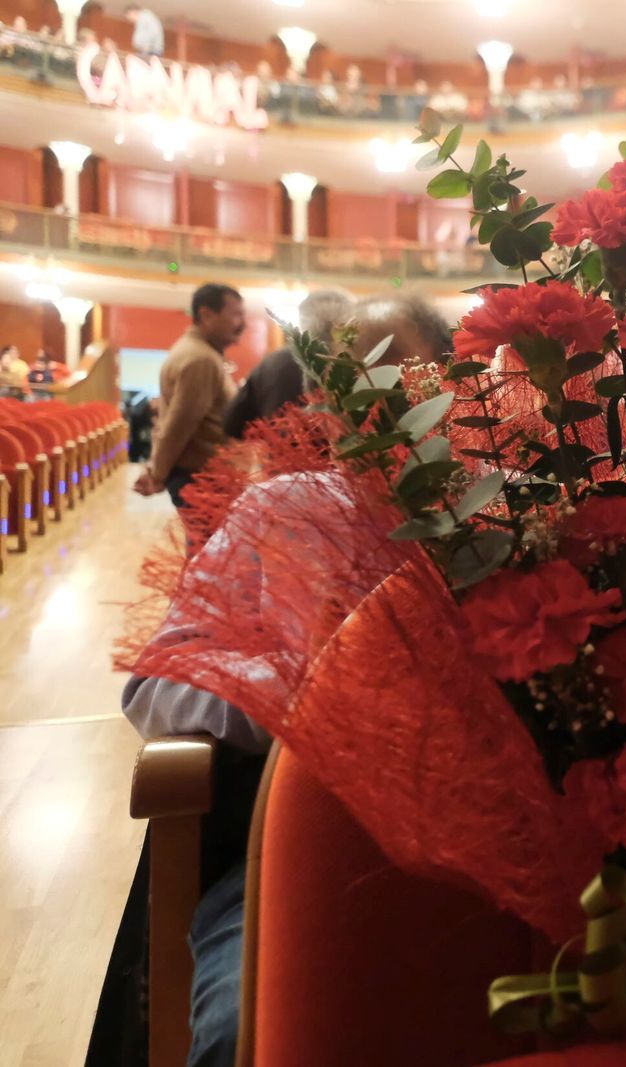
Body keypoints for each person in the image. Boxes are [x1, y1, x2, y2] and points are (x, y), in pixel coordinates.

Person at [120, 290, 451, 1067]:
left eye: (396, 383)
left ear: (450, 388)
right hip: (291, 854)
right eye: (349, 388)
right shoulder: (279, 512)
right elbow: (152, 686)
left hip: (478, 861)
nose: (372, 411)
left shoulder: (511, 517)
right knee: (243, 1028)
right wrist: (286, 688)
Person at [134, 284, 245, 509]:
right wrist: (156, 473)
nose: (242, 324)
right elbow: (179, 425)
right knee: (207, 544)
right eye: (235, 315)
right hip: (203, 477)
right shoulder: (200, 359)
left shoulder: (200, 353)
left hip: (205, 476)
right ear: (206, 314)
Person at [222, 290, 352, 439]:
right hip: (343, 459)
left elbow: (232, 424)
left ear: (302, 320)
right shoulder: (357, 362)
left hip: (281, 456)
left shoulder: (272, 363)